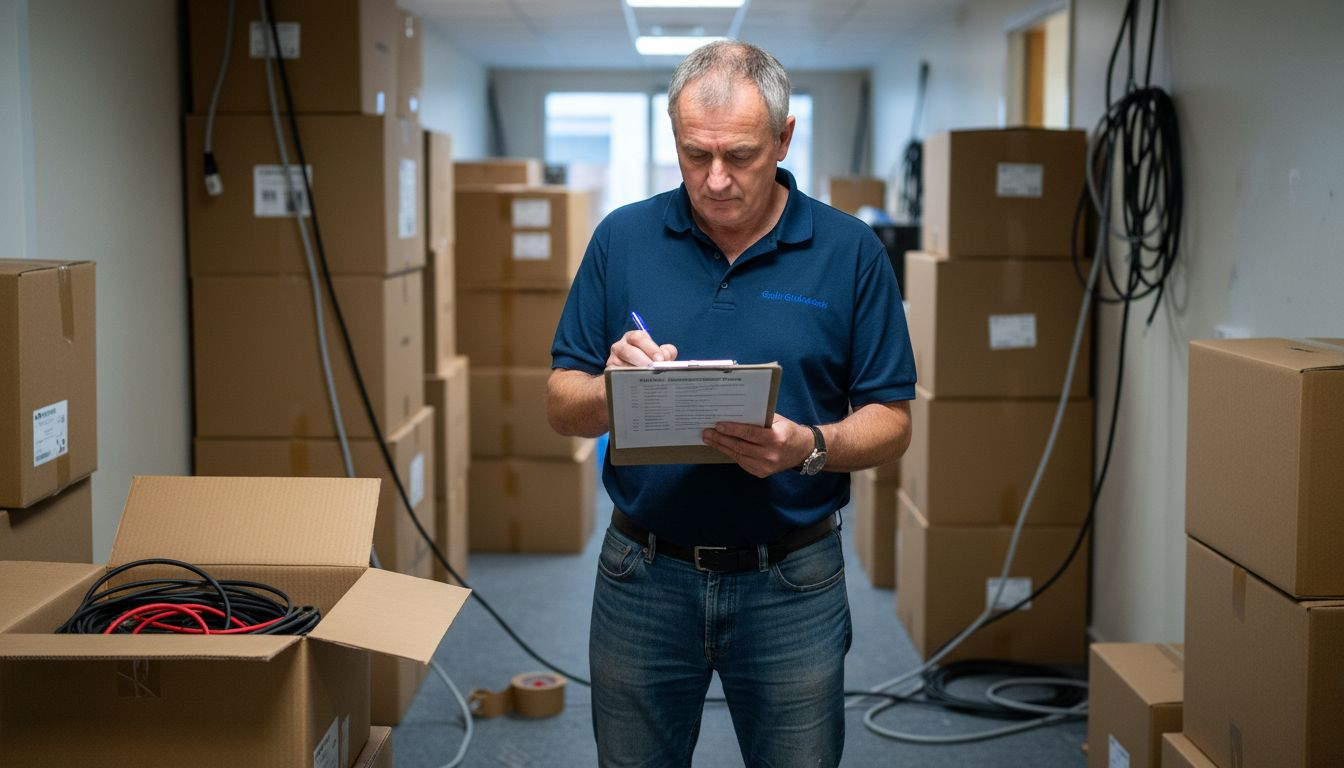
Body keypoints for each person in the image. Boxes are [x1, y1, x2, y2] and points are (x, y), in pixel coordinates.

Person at [548, 40, 915, 767]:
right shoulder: (621, 238)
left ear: (783, 139)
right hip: (642, 574)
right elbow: (563, 403)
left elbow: (893, 421)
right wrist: (614, 393)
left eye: (740, 156)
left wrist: (809, 446)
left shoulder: (849, 252)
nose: (714, 180)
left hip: (793, 580)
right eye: (694, 155)